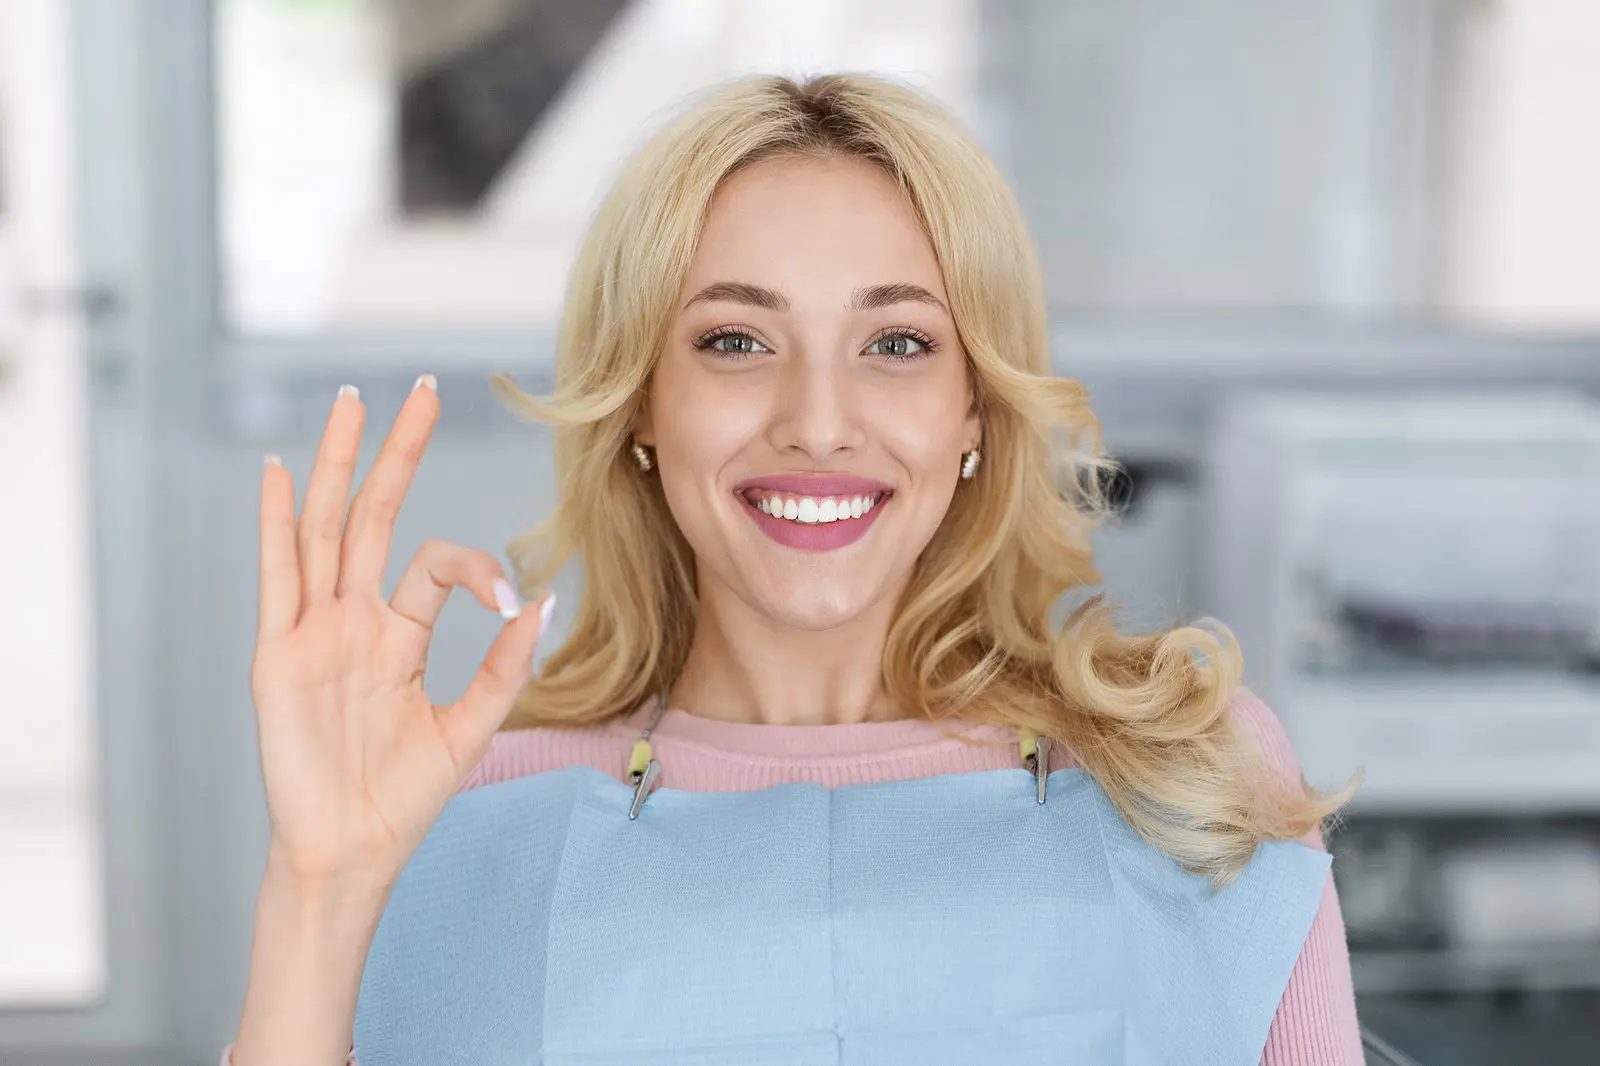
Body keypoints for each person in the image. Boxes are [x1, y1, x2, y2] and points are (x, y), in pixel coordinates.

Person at [224, 72, 1363, 1065]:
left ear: (973, 405)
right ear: (641, 404)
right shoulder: (465, 812)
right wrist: (319, 884)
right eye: (735, 341)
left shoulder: (1188, 777)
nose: (818, 422)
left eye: (897, 344)